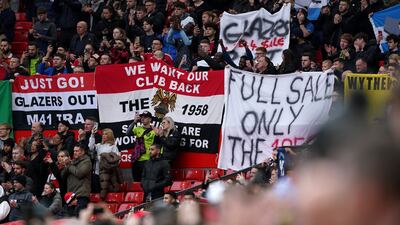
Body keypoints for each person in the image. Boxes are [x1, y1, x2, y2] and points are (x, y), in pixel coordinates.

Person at [126, 111, 158, 181]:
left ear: (150, 119)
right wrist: (134, 122)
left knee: (146, 181)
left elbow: (157, 144)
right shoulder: (138, 129)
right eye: (142, 117)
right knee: (136, 181)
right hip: (136, 159)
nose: (143, 119)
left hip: (147, 159)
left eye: (145, 117)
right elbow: (127, 133)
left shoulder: (154, 130)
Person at [61, 143, 91, 216]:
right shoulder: (72, 162)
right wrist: (66, 165)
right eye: (74, 151)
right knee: (70, 219)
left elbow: (79, 174)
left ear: (83, 152)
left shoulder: (87, 162)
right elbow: (62, 176)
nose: (74, 153)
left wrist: (69, 165)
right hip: (71, 196)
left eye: (77, 151)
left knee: (79, 219)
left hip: (81, 196)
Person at [88, 128, 120, 197]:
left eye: (106, 134)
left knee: (106, 193)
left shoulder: (113, 146)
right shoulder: (99, 145)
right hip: (97, 172)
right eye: (103, 134)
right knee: (98, 192)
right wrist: (92, 135)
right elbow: (90, 147)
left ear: (110, 136)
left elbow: (116, 160)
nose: (104, 136)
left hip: (108, 173)